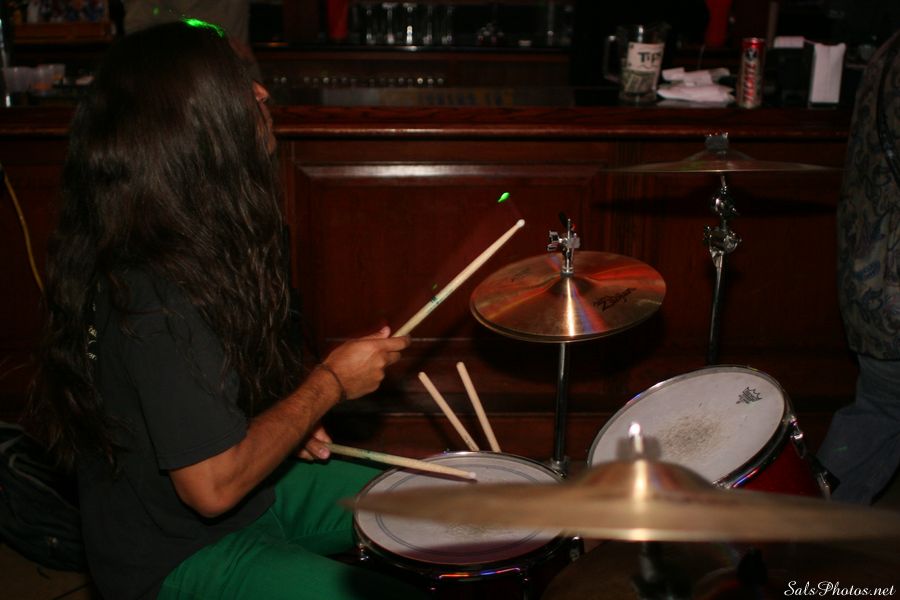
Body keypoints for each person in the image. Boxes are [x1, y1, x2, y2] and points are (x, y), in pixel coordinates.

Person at [27, 21, 425, 600]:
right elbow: (211, 488)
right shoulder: (155, 291)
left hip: (248, 496)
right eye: (237, 83)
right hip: (178, 555)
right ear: (192, 125)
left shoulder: (174, 237)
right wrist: (331, 385)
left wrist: (290, 421)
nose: (262, 92)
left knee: (442, 503)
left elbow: (199, 401)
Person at [817, 27, 900, 504]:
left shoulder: (890, 49)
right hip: (889, 287)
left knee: (877, 415)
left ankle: (803, 532)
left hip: (873, 280)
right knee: (879, 414)